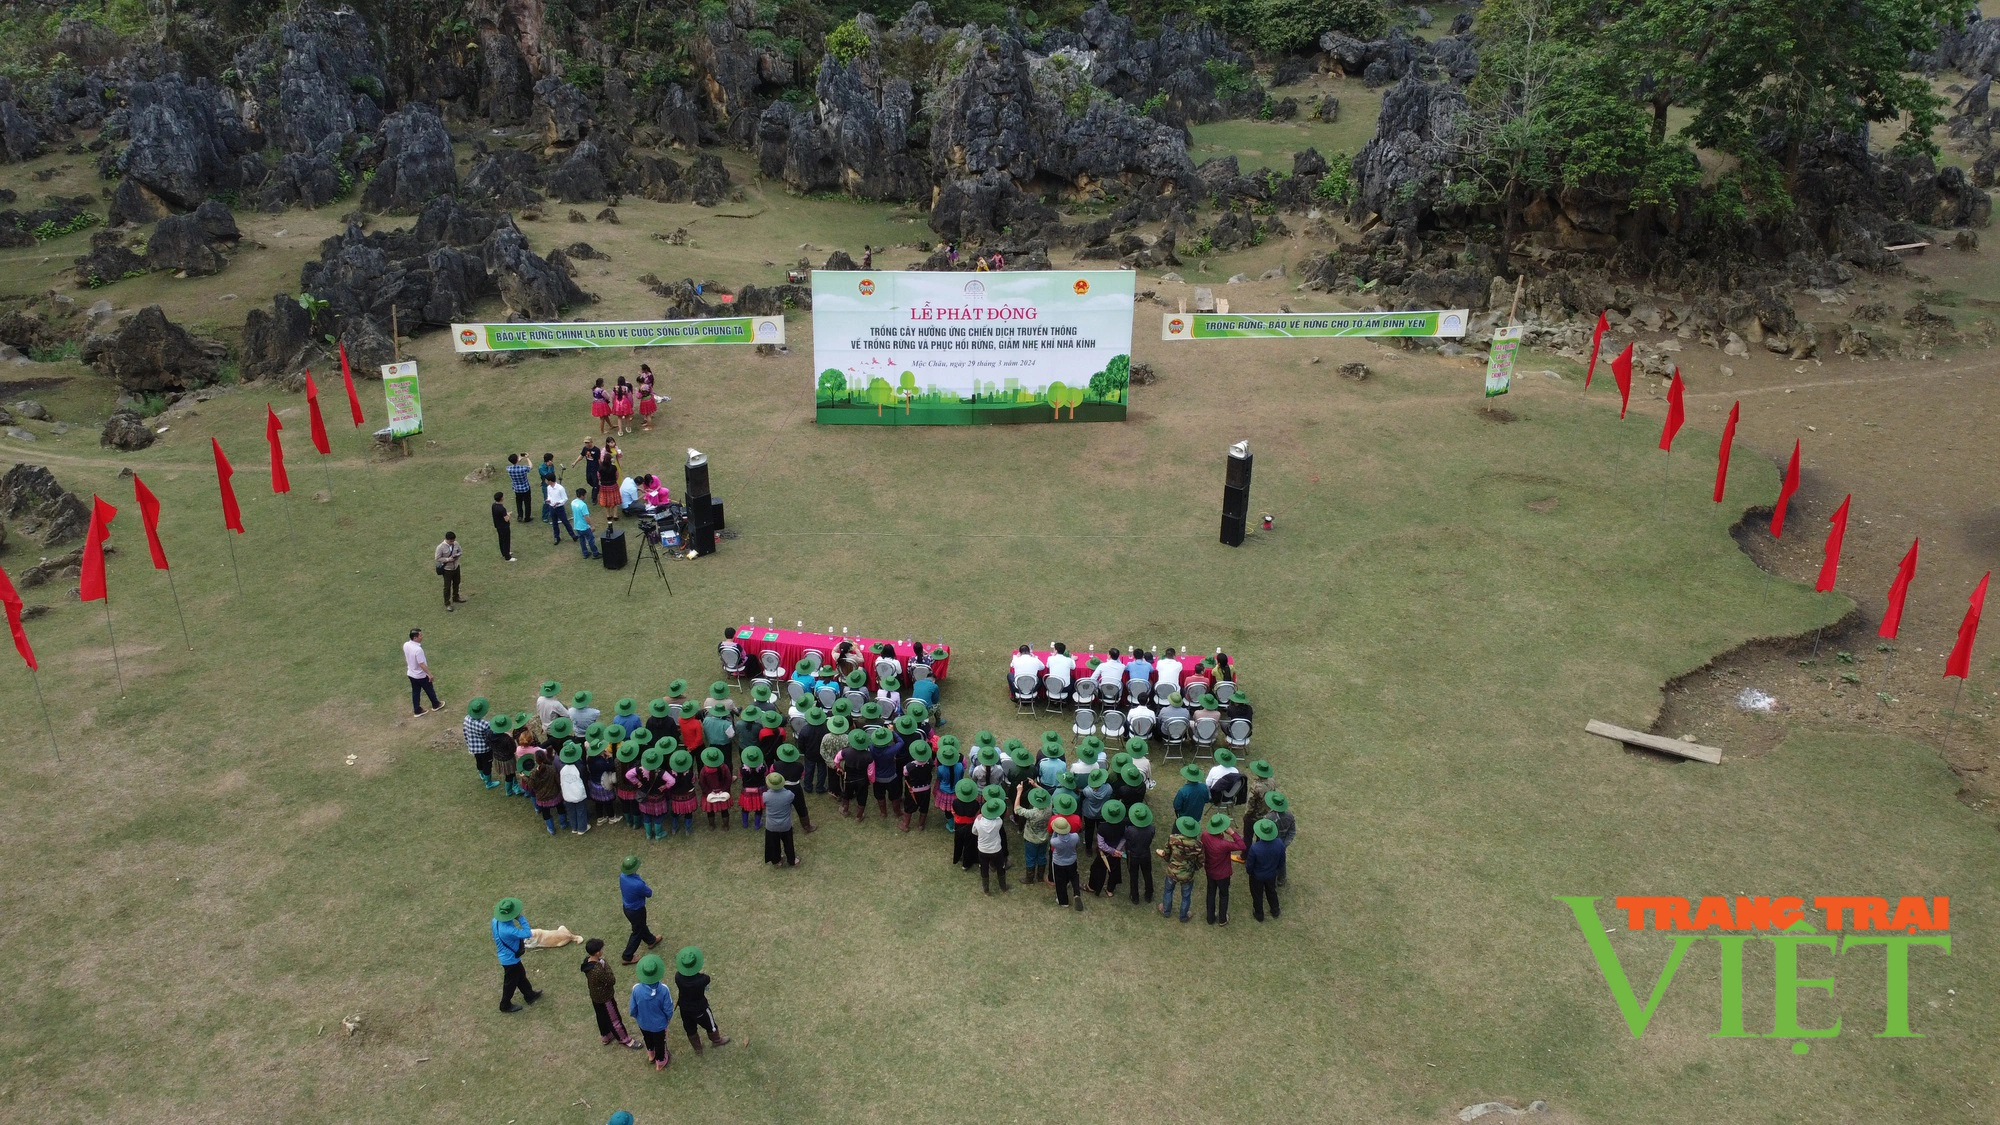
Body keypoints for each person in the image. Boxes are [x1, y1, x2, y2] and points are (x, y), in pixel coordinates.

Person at [580, 937, 642, 1048]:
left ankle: (606, 1036)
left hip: (595, 996)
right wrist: (606, 966)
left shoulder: (587, 962)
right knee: (614, 1019)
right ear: (598, 952)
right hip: (605, 997)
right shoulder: (598, 969)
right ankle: (625, 1039)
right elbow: (611, 980)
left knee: (601, 1016)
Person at [673, 946, 732, 1054]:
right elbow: (707, 978)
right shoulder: (703, 979)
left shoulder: (678, 977)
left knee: (690, 1028)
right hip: (700, 1008)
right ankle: (716, 1040)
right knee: (711, 1024)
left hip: (684, 1008)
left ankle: (698, 1048)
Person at [492, 897, 541, 1012]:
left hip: (507, 956)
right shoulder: (509, 931)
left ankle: (529, 995)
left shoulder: (495, 921)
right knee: (510, 983)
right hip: (510, 960)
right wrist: (520, 918)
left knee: (520, 975)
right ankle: (504, 1005)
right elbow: (527, 933)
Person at [628, 954, 675, 1070]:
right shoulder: (664, 989)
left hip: (643, 1023)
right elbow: (668, 1008)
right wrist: (667, 1020)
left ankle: (651, 1055)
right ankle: (660, 1061)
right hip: (659, 1025)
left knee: (647, 1038)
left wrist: (639, 1018)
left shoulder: (636, 989)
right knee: (660, 1043)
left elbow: (632, 1008)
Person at [617, 855, 663, 963]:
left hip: (627, 908)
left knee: (641, 926)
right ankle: (627, 956)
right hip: (637, 910)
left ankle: (651, 940)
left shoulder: (622, 876)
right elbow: (649, 893)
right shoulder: (638, 884)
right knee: (637, 932)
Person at [1200, 812, 1244, 926]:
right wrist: (1232, 833)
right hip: (1223, 875)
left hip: (1210, 871)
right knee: (1224, 895)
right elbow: (1242, 846)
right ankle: (1222, 919)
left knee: (1211, 893)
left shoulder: (1204, 835)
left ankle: (1210, 918)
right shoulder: (1224, 844)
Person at [1159, 816, 1202, 923]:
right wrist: (1193, 868)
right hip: (1187, 874)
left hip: (1172, 871)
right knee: (1186, 896)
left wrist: (1169, 861)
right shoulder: (1198, 845)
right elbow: (1201, 861)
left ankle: (1166, 910)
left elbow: (1166, 853)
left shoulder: (1172, 839)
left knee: (1168, 891)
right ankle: (1183, 916)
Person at [1245, 817, 1286, 922]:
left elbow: (1249, 866)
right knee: (1272, 891)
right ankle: (1275, 910)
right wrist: (1276, 871)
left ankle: (1259, 914)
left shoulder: (1255, 848)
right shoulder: (1280, 844)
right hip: (1272, 875)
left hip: (1257, 876)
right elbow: (1282, 861)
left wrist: (1251, 873)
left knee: (1257, 895)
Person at [972, 796, 1010, 894]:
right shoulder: (999, 822)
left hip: (983, 850)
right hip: (996, 849)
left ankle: (986, 889)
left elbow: (974, 832)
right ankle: (1003, 887)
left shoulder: (978, 821)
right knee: (1000, 868)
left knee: (984, 869)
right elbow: (998, 817)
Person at [762, 772, 800, 866]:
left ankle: (776, 861)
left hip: (771, 826)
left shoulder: (765, 795)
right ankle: (792, 860)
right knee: (788, 843)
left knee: (773, 843)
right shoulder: (789, 795)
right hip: (785, 825)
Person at [1015, 787, 1051, 884]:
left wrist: (1019, 792)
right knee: (1042, 856)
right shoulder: (1050, 806)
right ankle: (1040, 876)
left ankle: (1029, 878)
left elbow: (1017, 809)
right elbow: (1047, 795)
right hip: (1044, 837)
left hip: (1031, 839)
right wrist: (1036, 785)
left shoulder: (1032, 813)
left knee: (1030, 857)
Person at [1090, 799, 1126, 897]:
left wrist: (1112, 851)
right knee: (1114, 870)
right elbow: (1124, 838)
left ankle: (1093, 887)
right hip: (1116, 853)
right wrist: (1117, 850)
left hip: (1104, 853)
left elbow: (1101, 845)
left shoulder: (1102, 827)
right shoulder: (1123, 824)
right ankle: (1110, 890)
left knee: (1097, 869)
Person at [1123, 802, 1156, 904]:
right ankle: (1149, 894)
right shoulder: (1151, 829)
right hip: (1146, 854)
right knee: (1147, 874)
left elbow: (1127, 841)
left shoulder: (1130, 830)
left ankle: (1135, 896)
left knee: (1133, 875)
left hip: (1133, 855)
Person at [1048, 815, 1083, 911]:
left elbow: (1053, 836)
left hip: (1059, 863)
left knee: (1060, 882)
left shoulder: (1054, 841)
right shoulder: (1075, 836)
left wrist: (1055, 829)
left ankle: (1063, 902)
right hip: (1072, 861)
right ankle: (1076, 893)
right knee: (1074, 876)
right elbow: (1077, 844)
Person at [404, 628, 442, 715]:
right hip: (420, 675)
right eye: (420, 635)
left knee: (415, 692)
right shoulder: (418, 650)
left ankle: (417, 710)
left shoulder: (406, 645)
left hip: (411, 673)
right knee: (429, 689)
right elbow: (421, 664)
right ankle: (436, 704)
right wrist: (429, 674)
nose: (422, 637)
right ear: (415, 638)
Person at [464, 697, 497, 788]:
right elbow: (491, 734)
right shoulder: (485, 724)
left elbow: (465, 732)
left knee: (479, 761)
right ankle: (488, 783)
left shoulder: (466, 719)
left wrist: (468, 743)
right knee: (487, 764)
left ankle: (482, 774)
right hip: (485, 749)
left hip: (473, 748)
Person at [901, 742, 934, 831]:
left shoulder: (908, 766)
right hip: (926, 789)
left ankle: (905, 825)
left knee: (908, 807)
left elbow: (905, 774)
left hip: (912, 791)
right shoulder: (930, 762)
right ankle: (921, 825)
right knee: (924, 807)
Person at [949, 777, 980, 869]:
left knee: (958, 842)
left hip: (958, 825)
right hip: (970, 826)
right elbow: (977, 815)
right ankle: (966, 864)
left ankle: (957, 857)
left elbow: (953, 812)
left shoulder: (955, 802)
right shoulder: (976, 804)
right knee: (969, 845)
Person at [559, 742, 590, 834]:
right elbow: (585, 778)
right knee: (581, 810)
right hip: (578, 792)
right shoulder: (580, 767)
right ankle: (582, 828)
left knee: (571, 811)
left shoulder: (562, 767)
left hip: (567, 793)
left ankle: (574, 827)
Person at [699, 747, 733, 829]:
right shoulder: (724, 767)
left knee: (710, 811)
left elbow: (702, 783)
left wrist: (709, 792)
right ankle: (726, 826)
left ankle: (711, 825)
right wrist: (723, 790)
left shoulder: (704, 770)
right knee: (724, 810)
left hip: (709, 794)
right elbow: (728, 780)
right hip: (723, 793)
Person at [737, 746, 767, 828]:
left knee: (745, 807)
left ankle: (745, 823)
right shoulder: (763, 767)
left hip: (747, 789)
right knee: (759, 807)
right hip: (759, 789)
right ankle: (757, 824)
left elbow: (740, 776)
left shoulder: (742, 769)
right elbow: (765, 774)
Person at [435, 531, 464, 611]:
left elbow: (460, 551)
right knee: (447, 587)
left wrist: (456, 556)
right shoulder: (440, 547)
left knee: (457, 582)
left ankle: (456, 597)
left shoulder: (456, 543)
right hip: (447, 570)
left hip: (456, 567)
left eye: (453, 541)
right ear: (447, 539)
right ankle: (447, 603)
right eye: (451, 541)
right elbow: (437, 558)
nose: (452, 542)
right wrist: (448, 559)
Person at [571, 487, 601, 559]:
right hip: (584, 526)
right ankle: (595, 553)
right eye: (585, 495)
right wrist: (592, 525)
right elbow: (586, 517)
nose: (585, 496)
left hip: (577, 525)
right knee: (591, 539)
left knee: (582, 540)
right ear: (582, 495)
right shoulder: (583, 505)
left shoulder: (573, 502)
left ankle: (585, 553)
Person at [545, 473, 574, 544]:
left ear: (550, 481)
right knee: (554, 523)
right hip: (552, 507)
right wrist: (548, 500)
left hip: (559, 508)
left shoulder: (560, 488)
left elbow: (565, 498)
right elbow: (549, 496)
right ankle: (556, 537)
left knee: (565, 522)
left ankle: (573, 535)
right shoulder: (548, 487)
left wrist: (558, 503)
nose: (545, 481)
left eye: (546, 480)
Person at [488, 491, 516, 563]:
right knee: (506, 541)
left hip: (498, 526)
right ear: (501, 498)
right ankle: (507, 557)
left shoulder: (494, 505)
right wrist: (509, 515)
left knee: (501, 539)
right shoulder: (502, 508)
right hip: (504, 527)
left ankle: (504, 552)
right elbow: (506, 519)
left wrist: (506, 514)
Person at [597, 439, 623, 513]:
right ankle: (614, 514)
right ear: (607, 443)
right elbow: (616, 476)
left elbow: (620, 456)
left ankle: (609, 514)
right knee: (612, 496)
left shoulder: (615, 448)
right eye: (611, 442)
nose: (613, 443)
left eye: (613, 442)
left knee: (619, 481)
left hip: (614, 468)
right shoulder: (604, 450)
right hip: (611, 480)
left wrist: (618, 451)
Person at [506, 454, 533, 522]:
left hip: (517, 489)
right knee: (527, 503)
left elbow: (514, 466)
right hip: (525, 488)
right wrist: (527, 458)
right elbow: (530, 466)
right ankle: (527, 517)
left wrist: (518, 460)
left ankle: (520, 516)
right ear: (517, 460)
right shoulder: (523, 468)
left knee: (519, 503)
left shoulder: (509, 469)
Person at [637, 364, 659, 431]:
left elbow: (638, 396)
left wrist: (637, 391)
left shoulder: (642, 387)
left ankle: (650, 427)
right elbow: (651, 390)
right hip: (649, 398)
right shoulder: (647, 385)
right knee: (647, 414)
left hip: (645, 401)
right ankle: (648, 423)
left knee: (648, 414)